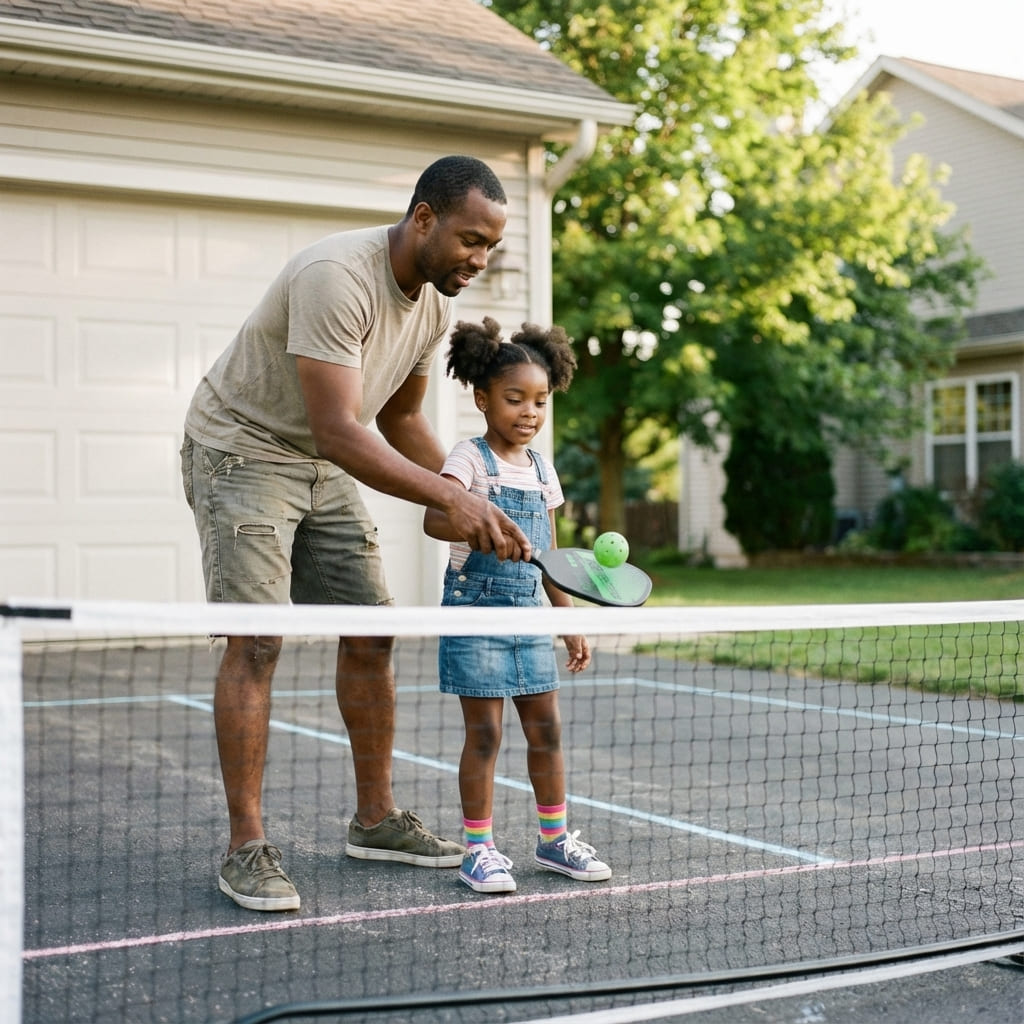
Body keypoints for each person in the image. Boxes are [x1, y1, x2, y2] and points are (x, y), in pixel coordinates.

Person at [180, 156, 532, 912]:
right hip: (243, 447)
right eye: (471, 240)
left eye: (491, 249)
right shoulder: (336, 276)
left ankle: (374, 820)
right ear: (424, 218)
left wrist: (481, 492)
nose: (479, 261)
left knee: (371, 632)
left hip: (316, 454)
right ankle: (246, 846)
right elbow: (342, 429)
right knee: (257, 639)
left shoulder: (434, 306)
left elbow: (400, 420)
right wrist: (448, 498)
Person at [423, 317, 612, 894]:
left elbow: (550, 554)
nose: (529, 412)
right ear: (482, 399)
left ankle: (554, 842)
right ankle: (478, 849)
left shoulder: (542, 470)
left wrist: (566, 620)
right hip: (476, 613)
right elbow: (434, 516)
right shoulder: (469, 459)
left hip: (530, 616)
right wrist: (478, 526)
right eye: (515, 399)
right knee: (484, 736)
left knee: (546, 730)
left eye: (540, 401)